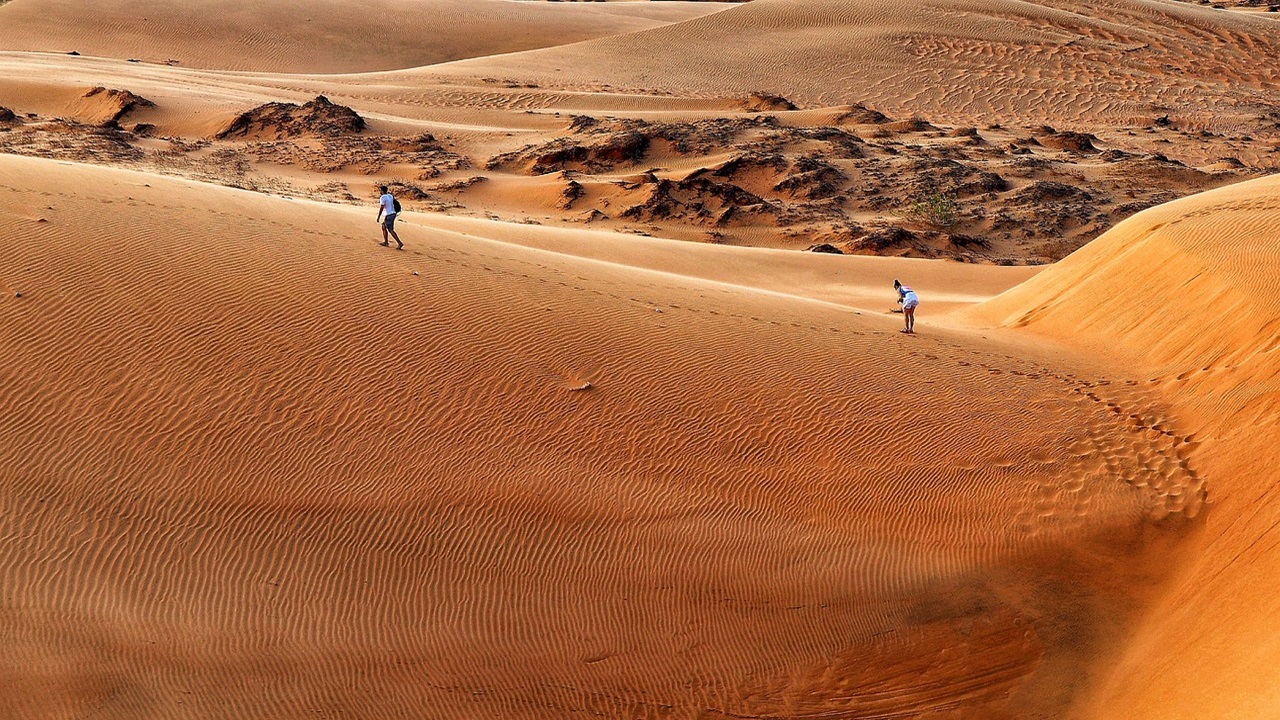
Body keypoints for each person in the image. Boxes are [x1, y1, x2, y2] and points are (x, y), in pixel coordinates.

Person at [376, 185, 403, 250]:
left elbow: (382, 207)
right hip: (393, 213)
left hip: (389, 214)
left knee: (390, 229)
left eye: (380, 190)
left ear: (382, 191)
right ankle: (386, 242)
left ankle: (399, 243)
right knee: (383, 226)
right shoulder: (390, 195)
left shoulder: (383, 197)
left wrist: (379, 216)